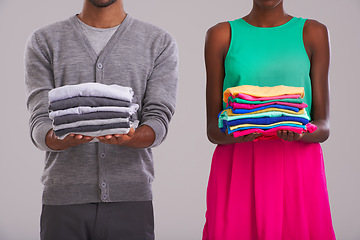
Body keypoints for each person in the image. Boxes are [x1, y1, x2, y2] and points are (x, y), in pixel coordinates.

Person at [24, 0, 178, 239]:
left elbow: (159, 119)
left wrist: (130, 138)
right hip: (63, 203)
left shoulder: (158, 41)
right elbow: (39, 119)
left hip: (131, 202)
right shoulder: (44, 40)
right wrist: (60, 138)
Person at [203, 0, 335, 239]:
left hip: (299, 168)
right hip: (238, 166)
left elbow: (323, 124)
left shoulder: (313, 33)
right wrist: (239, 132)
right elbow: (213, 129)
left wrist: (302, 133)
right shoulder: (220, 35)